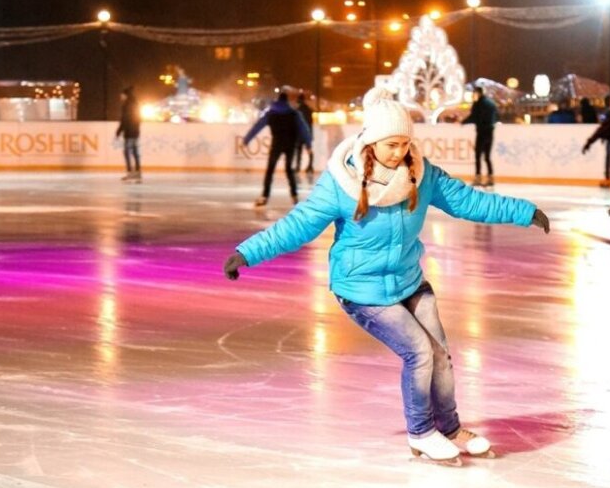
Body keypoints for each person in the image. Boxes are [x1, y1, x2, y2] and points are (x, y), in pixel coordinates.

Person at [223, 87, 551, 465]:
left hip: (409, 282)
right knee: (419, 352)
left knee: (441, 355)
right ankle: (421, 432)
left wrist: (524, 211)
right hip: (362, 290)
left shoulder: (421, 174)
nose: (399, 152)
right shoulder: (341, 183)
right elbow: (298, 225)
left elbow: (468, 200)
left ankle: (448, 427)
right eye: (391, 144)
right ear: (371, 142)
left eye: (404, 144)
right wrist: (247, 252)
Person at [243, 89, 312, 207]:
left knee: (270, 170)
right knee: (289, 170)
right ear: (287, 101)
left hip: (277, 144)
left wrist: (247, 139)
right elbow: (304, 129)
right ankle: (294, 196)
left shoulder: (271, 113)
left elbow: (257, 126)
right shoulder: (294, 114)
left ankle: (264, 196)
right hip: (290, 145)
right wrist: (308, 145)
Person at [460, 86, 498, 187]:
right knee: (487, 157)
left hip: (481, 132)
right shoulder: (491, 104)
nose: (473, 96)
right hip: (490, 132)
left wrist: (462, 122)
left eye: (474, 93)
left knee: (478, 156)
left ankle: (478, 177)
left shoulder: (478, 104)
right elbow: (496, 116)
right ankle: (490, 178)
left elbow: (474, 117)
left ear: (478, 93)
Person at [115, 86, 142, 182]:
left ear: (125, 95)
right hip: (135, 132)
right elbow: (139, 119)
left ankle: (130, 173)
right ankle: (138, 174)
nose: (120, 96)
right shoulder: (136, 104)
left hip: (129, 133)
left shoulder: (126, 105)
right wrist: (137, 129)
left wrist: (119, 131)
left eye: (122, 95)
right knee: (135, 153)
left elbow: (124, 120)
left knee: (127, 153)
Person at [292, 92, 315, 177]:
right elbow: (311, 122)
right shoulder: (308, 110)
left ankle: (298, 167)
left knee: (299, 150)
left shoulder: (298, 111)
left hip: (300, 134)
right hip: (308, 133)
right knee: (309, 150)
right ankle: (310, 166)